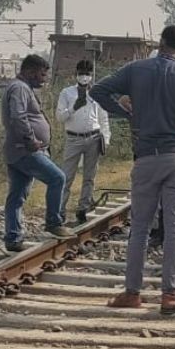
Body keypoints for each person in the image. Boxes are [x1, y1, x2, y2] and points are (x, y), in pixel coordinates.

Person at [91, 25, 175, 315]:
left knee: (140, 227)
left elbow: (98, 90)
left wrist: (127, 112)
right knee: (174, 226)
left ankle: (132, 292)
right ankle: (170, 293)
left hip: (145, 157)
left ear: (160, 43)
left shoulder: (136, 70)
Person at [2, 54, 74, 252]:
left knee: (16, 196)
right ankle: (53, 222)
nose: (44, 78)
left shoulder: (23, 88)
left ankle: (13, 238)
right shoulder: (19, 88)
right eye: (42, 74)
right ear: (30, 71)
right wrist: (30, 139)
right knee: (57, 178)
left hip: (17, 151)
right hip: (25, 150)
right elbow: (18, 116)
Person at [56, 58, 111, 225]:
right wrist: (74, 107)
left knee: (90, 176)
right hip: (74, 138)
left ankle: (83, 208)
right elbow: (59, 117)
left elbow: (103, 119)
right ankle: (60, 210)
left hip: (94, 137)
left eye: (87, 74)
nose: (84, 77)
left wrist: (106, 139)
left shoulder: (96, 93)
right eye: (81, 73)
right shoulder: (67, 93)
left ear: (92, 75)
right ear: (76, 75)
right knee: (66, 176)